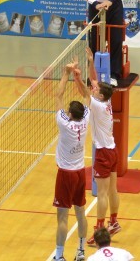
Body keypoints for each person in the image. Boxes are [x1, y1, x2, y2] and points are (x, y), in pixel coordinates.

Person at [73, 48, 121, 247]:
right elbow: (92, 82)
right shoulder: (106, 100)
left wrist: (76, 76)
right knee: (112, 190)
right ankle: (114, 222)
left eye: (96, 90)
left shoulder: (98, 105)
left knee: (102, 193)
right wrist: (91, 61)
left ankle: (100, 230)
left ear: (100, 96)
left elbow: (84, 90)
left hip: (102, 152)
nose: (94, 88)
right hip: (112, 150)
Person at [52, 61, 89, 261]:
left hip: (65, 174)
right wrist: (78, 77)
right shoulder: (85, 120)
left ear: (70, 114)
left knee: (62, 218)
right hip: (80, 172)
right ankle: (81, 251)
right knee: (81, 212)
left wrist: (66, 73)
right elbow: (87, 96)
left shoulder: (64, 124)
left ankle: (59, 256)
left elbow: (57, 95)